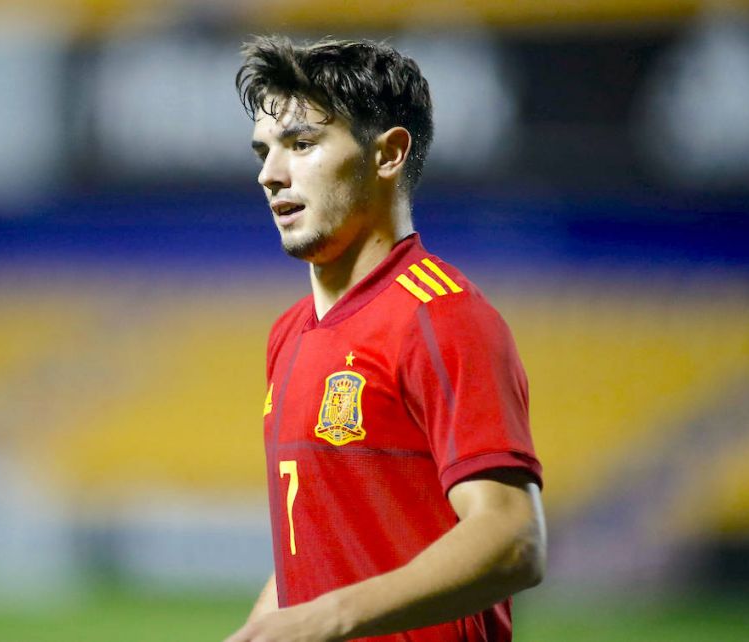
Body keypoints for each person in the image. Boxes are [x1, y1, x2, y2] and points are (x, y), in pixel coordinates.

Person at [224, 36, 546, 642]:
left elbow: (513, 538)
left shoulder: (442, 317)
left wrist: (326, 620)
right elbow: (318, 538)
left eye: (301, 144)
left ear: (389, 154)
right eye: (264, 151)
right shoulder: (288, 335)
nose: (270, 174)